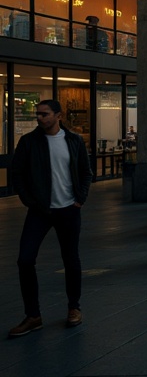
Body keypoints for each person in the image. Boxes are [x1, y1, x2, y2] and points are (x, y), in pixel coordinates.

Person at [8, 99, 91, 337]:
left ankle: (74, 308)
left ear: (58, 115)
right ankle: (33, 316)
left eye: (44, 114)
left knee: (71, 259)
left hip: (68, 209)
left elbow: (86, 172)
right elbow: (18, 173)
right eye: (38, 115)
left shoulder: (74, 141)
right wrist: (29, 200)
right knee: (25, 260)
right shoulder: (29, 142)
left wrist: (80, 198)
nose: (40, 118)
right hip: (40, 211)